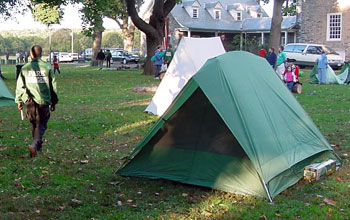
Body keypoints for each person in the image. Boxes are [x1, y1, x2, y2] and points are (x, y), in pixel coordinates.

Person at [15, 45, 59, 158]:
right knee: (41, 124)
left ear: (31, 54)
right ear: (41, 54)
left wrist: (19, 100)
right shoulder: (47, 67)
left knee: (35, 124)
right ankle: (35, 144)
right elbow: (52, 87)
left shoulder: (25, 68)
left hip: (29, 101)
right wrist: (54, 101)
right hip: (43, 101)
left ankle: (37, 147)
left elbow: (20, 86)